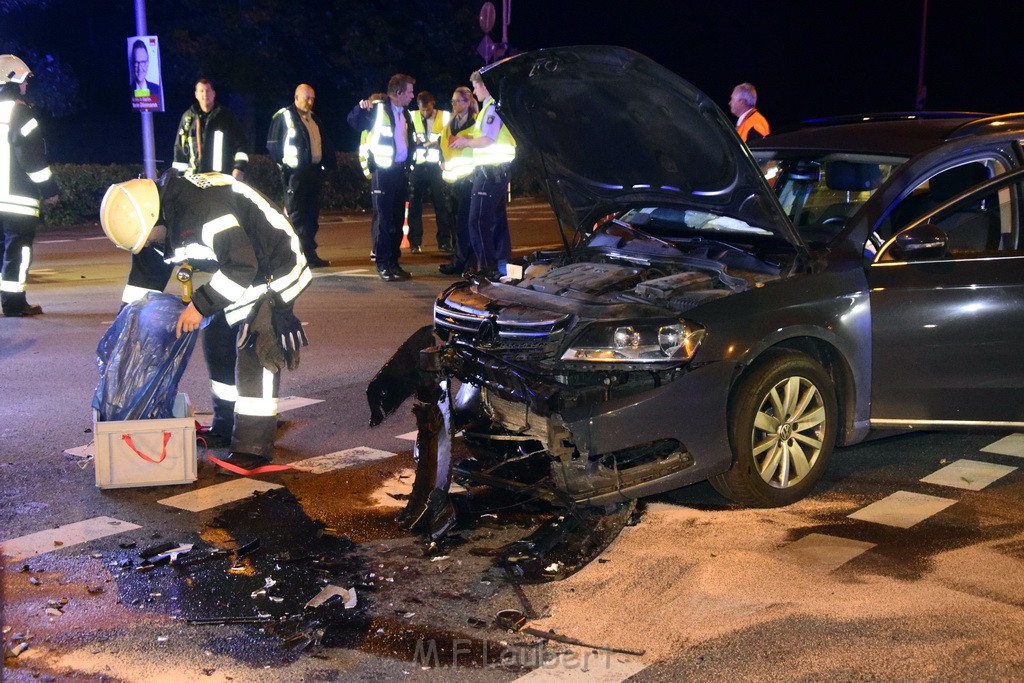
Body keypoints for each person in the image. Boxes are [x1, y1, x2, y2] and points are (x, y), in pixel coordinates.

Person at [99, 172, 311, 469]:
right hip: (241, 265)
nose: (147, 246)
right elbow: (144, 279)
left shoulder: (202, 211)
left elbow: (241, 267)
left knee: (256, 344)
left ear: (153, 221)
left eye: (146, 240)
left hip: (274, 266)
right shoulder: (153, 219)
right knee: (217, 339)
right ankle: (226, 425)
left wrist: (199, 306)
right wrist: (126, 323)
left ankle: (253, 445)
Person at [0, 54, 59, 317]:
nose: (26, 86)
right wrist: (49, 190)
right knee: (17, 250)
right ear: (15, 81)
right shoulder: (22, 113)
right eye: (25, 81)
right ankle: (13, 304)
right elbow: (32, 159)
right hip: (17, 200)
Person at [347, 74, 416, 282]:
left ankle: (394, 262)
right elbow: (353, 121)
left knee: (396, 219)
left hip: (400, 172)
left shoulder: (406, 114)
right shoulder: (377, 109)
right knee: (384, 221)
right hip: (383, 173)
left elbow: (408, 141)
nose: (412, 96)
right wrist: (361, 107)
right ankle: (383, 263)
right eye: (410, 91)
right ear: (398, 93)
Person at [448, 71, 516, 276]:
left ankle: (486, 268)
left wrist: (465, 142)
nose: (474, 91)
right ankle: (499, 265)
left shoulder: (492, 107)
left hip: (490, 173)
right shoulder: (491, 107)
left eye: (476, 87)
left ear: (485, 86)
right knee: (495, 219)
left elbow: (488, 139)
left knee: (477, 221)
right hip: (493, 171)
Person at [267, 83, 335, 268]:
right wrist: (286, 168)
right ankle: (296, 255)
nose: (311, 101)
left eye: (313, 98)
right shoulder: (284, 117)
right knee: (297, 216)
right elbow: (273, 145)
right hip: (295, 175)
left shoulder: (314, 119)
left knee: (311, 215)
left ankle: (309, 253)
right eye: (307, 98)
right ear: (296, 98)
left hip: (313, 172)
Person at [171, 78, 249, 179]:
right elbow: (180, 149)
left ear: (214, 93)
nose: (205, 94)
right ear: (196, 94)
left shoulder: (226, 117)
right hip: (193, 178)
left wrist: (239, 168)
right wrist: (178, 177)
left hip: (220, 178)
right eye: (201, 91)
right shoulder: (188, 119)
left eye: (208, 91)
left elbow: (241, 144)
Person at [407, 91, 454, 254]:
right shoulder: (412, 115)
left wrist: (438, 143)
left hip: (436, 166)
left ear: (432, 105)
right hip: (419, 165)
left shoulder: (445, 116)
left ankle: (444, 242)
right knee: (414, 206)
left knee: (442, 205)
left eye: (427, 110)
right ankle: (414, 243)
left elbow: (450, 136)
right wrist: (416, 142)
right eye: (421, 110)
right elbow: (405, 135)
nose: (424, 113)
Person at [438, 86, 478, 276]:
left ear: (468, 102)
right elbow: (442, 145)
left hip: (469, 179)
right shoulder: (451, 122)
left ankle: (467, 262)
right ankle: (459, 258)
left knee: (466, 223)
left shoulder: (475, 123)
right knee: (455, 223)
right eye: (453, 101)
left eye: (458, 101)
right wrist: (441, 162)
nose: (454, 104)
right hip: (452, 181)